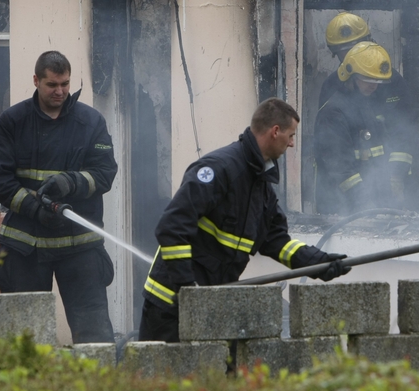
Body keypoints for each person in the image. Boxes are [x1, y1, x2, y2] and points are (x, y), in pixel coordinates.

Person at [139, 97, 350, 343]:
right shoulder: (219, 169)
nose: (292, 143)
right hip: (170, 305)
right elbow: (171, 228)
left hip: (211, 305)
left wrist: (320, 264)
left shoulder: (261, 186)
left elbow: (277, 242)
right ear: (275, 131)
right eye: (291, 136)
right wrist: (187, 289)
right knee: (165, 380)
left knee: (216, 379)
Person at [0, 50, 118, 343]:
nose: (60, 91)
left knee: (94, 335)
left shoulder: (91, 122)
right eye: (52, 85)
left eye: (65, 84)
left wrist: (70, 182)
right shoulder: (12, 121)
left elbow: (105, 172)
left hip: (80, 245)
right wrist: (34, 208)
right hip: (25, 247)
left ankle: (98, 386)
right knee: (25, 336)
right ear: (36, 80)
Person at [314, 42, 412, 215]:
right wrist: (365, 203)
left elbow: (380, 153)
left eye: (377, 81)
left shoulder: (366, 104)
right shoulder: (333, 114)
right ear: (350, 75)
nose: (374, 86)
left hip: (369, 204)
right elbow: (340, 169)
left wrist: (391, 188)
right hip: (340, 208)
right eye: (367, 79)